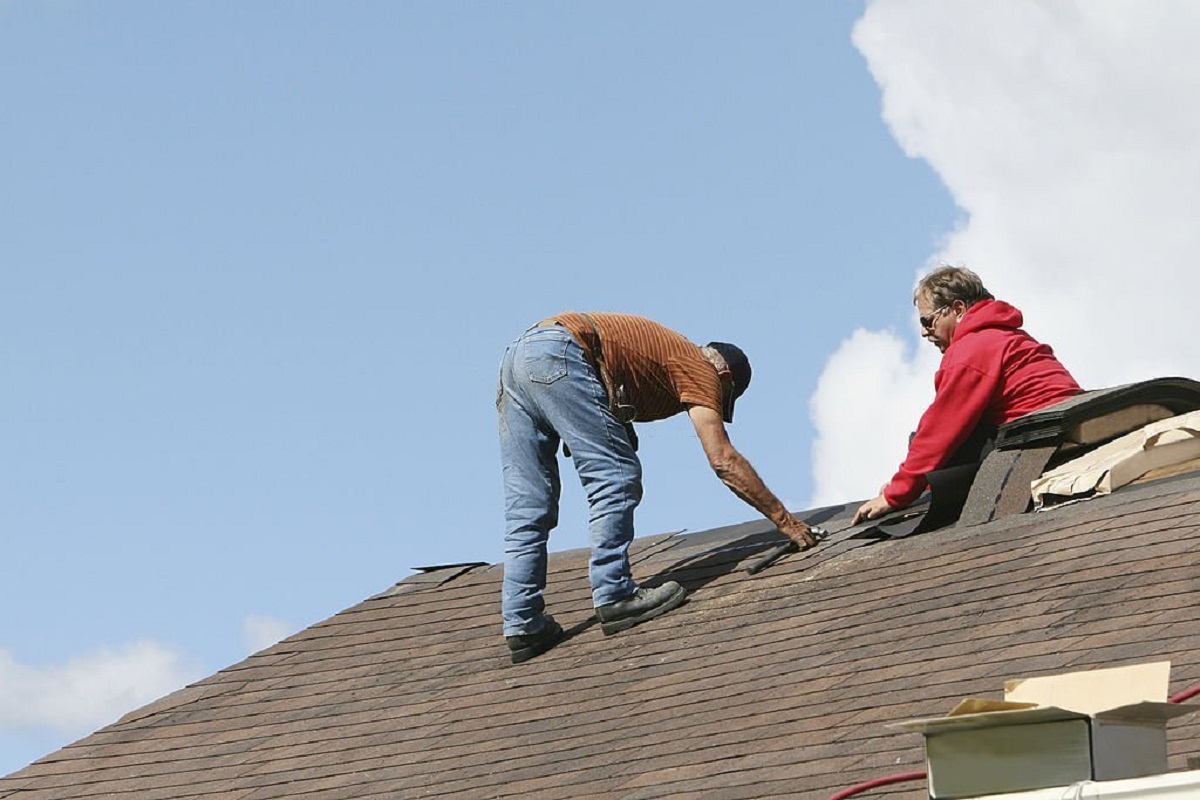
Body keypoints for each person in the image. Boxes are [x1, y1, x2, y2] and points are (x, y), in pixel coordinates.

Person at [498, 312, 817, 663]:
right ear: (723, 375)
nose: (708, 403)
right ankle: (614, 593)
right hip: (560, 353)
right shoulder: (700, 366)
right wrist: (786, 521)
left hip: (517, 361)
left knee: (529, 506)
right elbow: (723, 459)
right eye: (720, 397)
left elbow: (606, 394)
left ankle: (523, 623)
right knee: (615, 476)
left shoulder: (658, 359)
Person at [852, 266, 1082, 526]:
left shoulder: (969, 351)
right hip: (1070, 424)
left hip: (1040, 441)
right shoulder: (1008, 335)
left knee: (925, 438)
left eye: (927, 321)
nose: (924, 332)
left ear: (958, 309)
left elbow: (938, 433)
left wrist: (896, 495)